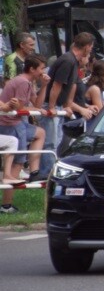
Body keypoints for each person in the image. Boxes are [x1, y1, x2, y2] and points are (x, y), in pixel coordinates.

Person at [0, 54, 48, 196]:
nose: (43, 72)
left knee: (40, 133)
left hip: (16, 123)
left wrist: (44, 86)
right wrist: (37, 110)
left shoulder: (28, 82)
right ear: (32, 69)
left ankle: (34, 172)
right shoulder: (22, 82)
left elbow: (37, 103)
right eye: (41, 68)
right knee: (18, 162)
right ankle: (7, 205)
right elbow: (20, 110)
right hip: (10, 124)